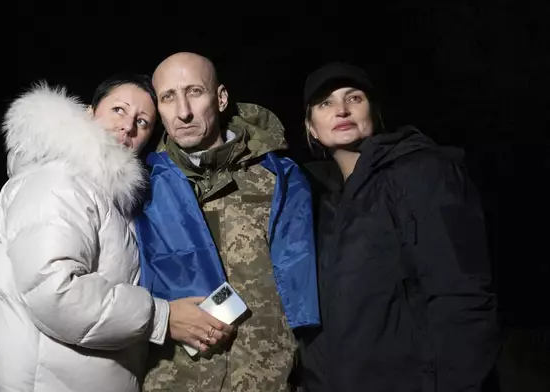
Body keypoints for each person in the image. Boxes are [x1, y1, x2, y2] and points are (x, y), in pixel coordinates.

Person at [0, 74, 220, 392]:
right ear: (89, 112)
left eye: (143, 121)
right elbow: (55, 290)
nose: (128, 127)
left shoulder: (105, 195)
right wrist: (159, 317)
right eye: (118, 110)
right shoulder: (60, 180)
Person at [299, 62, 500, 392]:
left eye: (355, 98)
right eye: (325, 103)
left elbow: (462, 296)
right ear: (311, 126)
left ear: (374, 112)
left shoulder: (423, 172)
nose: (342, 110)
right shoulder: (317, 200)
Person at [134, 52, 320, 391]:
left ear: (220, 98)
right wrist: (159, 317)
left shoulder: (278, 178)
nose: (183, 111)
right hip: (172, 380)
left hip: (265, 378)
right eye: (168, 97)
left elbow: (307, 288)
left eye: (194, 92)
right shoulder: (139, 185)